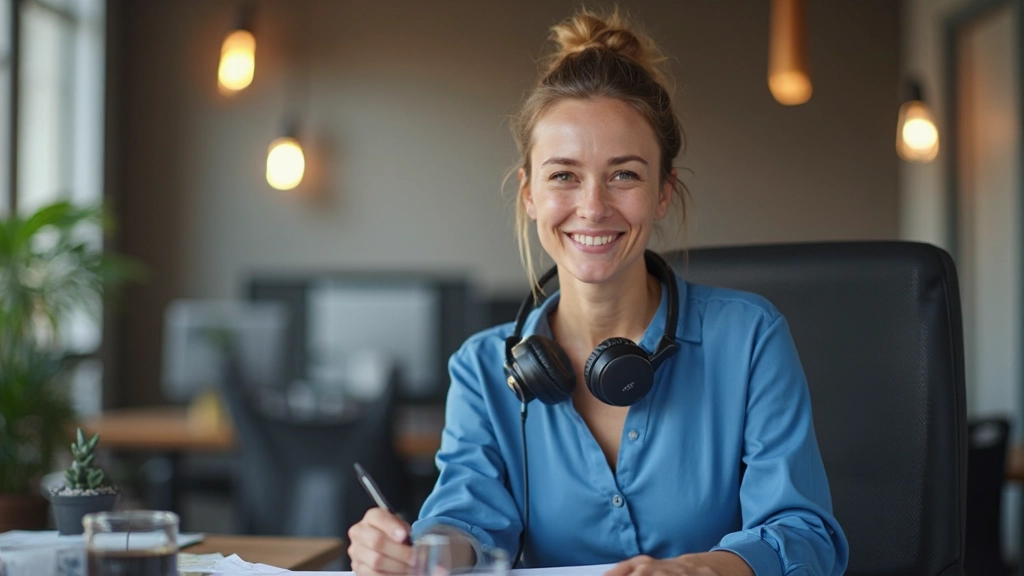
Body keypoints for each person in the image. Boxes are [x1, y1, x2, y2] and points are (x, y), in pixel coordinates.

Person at [348, 8, 849, 576]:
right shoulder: (484, 368)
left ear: (663, 193)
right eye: (563, 175)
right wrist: (419, 552)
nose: (593, 207)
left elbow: (804, 537)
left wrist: (696, 571)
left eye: (625, 175)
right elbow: (466, 522)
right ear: (530, 193)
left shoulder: (750, 338)